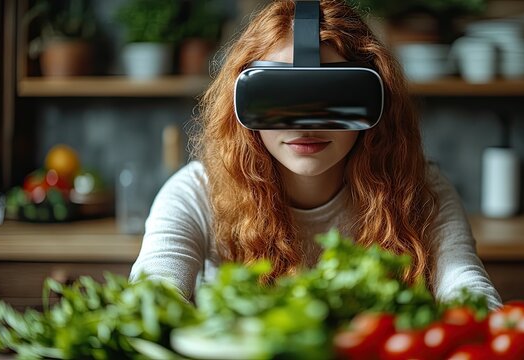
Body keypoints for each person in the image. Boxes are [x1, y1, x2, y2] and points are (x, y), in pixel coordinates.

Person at [130, 0, 502, 309]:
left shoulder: (417, 191)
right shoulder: (195, 194)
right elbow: (153, 296)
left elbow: (466, 288)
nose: (304, 127)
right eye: (279, 99)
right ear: (241, 102)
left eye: (332, 97)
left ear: (376, 101)